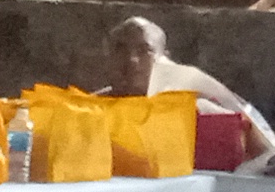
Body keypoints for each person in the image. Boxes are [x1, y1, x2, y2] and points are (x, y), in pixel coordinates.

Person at [98, 15, 265, 133]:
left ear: (164, 59)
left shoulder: (198, 110)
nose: (132, 59)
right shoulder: (93, 109)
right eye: (120, 49)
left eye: (144, 50)